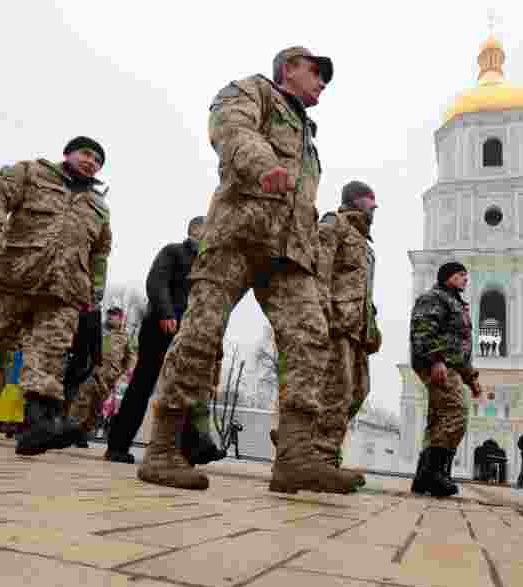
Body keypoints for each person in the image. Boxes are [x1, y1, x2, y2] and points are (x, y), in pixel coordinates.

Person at [143, 46, 359, 495]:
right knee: (201, 334)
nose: (322, 83)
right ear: (289, 69)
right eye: (316, 72)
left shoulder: (307, 135)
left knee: (310, 337)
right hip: (238, 236)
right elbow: (231, 130)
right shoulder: (252, 91)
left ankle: (295, 457)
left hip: (290, 254)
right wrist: (265, 166)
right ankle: (163, 449)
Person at [0, 136, 112, 456]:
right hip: (12, 280)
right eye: (86, 154)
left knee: (50, 355)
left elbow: (100, 252)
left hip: (64, 292)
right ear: (68, 154)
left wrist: (95, 289)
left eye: (99, 160)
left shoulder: (98, 207)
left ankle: (38, 426)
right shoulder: (32, 173)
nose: (92, 162)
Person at [103, 217, 205, 464]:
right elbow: (156, 281)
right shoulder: (174, 252)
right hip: (160, 326)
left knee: (185, 387)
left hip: (188, 332)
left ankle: (190, 449)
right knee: (142, 384)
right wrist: (166, 312)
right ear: (195, 230)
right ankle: (117, 445)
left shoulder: (209, 263)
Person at [314, 180, 383, 485]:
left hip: (358, 330)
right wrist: (319, 308)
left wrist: (373, 324)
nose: (374, 208)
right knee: (336, 390)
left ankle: (311, 442)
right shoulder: (335, 223)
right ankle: (322, 458)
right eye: (371, 202)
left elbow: (363, 291)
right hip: (336, 322)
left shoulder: (366, 246)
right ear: (356, 201)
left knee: (358, 391)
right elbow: (320, 267)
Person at [410, 262, 482, 497]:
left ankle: (424, 476)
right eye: (461, 275)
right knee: (456, 412)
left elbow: (460, 347)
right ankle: (435, 473)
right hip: (439, 365)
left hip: (449, 365)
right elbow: (422, 329)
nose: (465, 279)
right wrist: (435, 360)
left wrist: (471, 378)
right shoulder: (435, 298)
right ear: (449, 277)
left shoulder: (457, 304)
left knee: (438, 419)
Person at [67, 305, 134, 448]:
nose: (111, 317)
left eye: (114, 315)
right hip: (92, 374)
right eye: (109, 314)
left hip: (108, 380)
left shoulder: (124, 337)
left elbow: (130, 358)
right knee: (81, 402)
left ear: (120, 318)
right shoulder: (98, 331)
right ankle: (70, 431)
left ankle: (82, 434)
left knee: (96, 409)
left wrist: (124, 374)